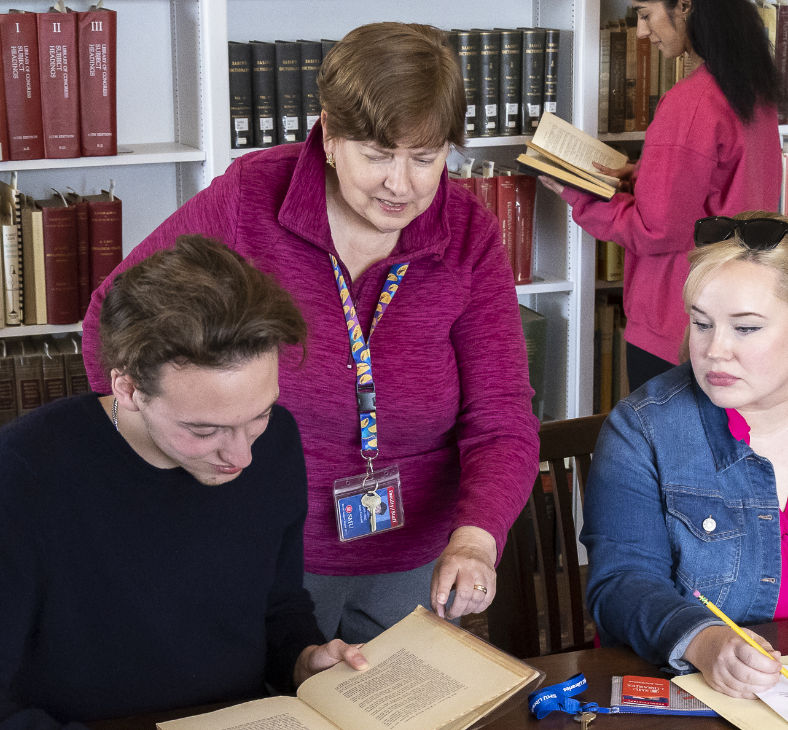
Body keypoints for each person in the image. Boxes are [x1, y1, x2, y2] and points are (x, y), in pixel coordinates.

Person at [79, 22, 540, 643]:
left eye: (426, 158)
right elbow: (114, 311)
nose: (400, 185)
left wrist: (476, 538)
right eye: (377, 155)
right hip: (261, 549)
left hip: (421, 562)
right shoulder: (250, 198)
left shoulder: (468, 233)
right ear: (328, 133)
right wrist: (164, 458)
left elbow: (503, 418)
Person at [0, 235, 369, 730]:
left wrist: (303, 663)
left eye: (258, 414)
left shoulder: (276, 441)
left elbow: (278, 607)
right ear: (127, 388)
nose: (241, 455)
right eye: (203, 430)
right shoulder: (21, 475)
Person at [581, 210, 788, 698]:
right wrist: (704, 641)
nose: (714, 350)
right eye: (701, 323)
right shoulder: (644, 427)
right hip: (680, 692)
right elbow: (621, 583)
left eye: (746, 328)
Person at [540, 0, 783, 391]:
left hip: (674, 322)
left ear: (685, 6)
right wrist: (646, 172)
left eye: (644, 13)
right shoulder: (753, 90)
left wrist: (579, 193)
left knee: (667, 449)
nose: (640, 31)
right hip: (735, 314)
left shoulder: (689, 103)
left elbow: (653, 230)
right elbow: (729, 181)